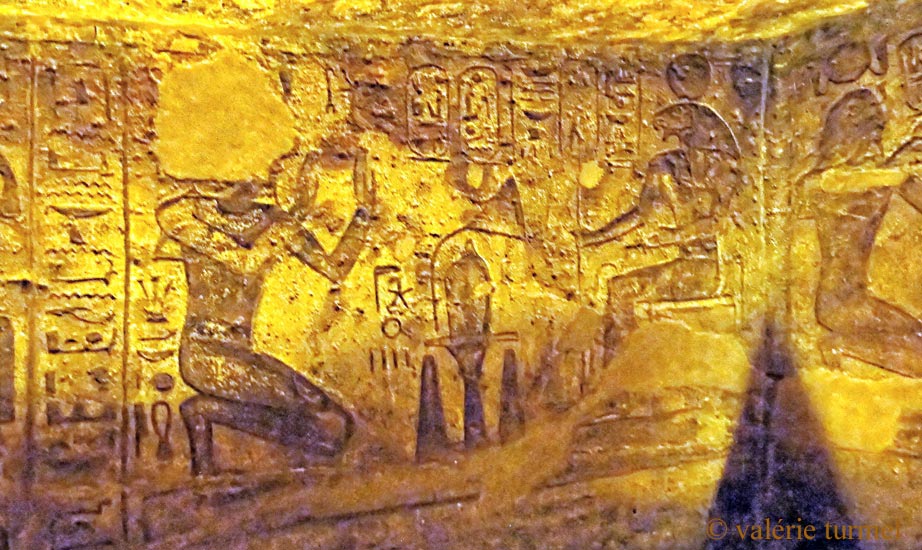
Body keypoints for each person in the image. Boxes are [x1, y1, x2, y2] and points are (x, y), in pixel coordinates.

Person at [156, 147, 375, 476]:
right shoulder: (186, 216)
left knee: (336, 426)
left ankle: (206, 411)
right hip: (205, 353)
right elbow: (243, 262)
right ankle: (207, 455)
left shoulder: (276, 222)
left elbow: (336, 268)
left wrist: (363, 215)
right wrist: (290, 221)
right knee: (315, 413)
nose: (262, 182)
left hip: (242, 351)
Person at [800, 88, 922, 378]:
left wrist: (909, 161)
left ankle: (845, 344)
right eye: (871, 135)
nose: (875, 145)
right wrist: (899, 169)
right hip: (836, 304)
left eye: (878, 137)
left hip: (860, 299)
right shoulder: (826, 180)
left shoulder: (881, 179)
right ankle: (842, 345)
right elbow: (837, 182)